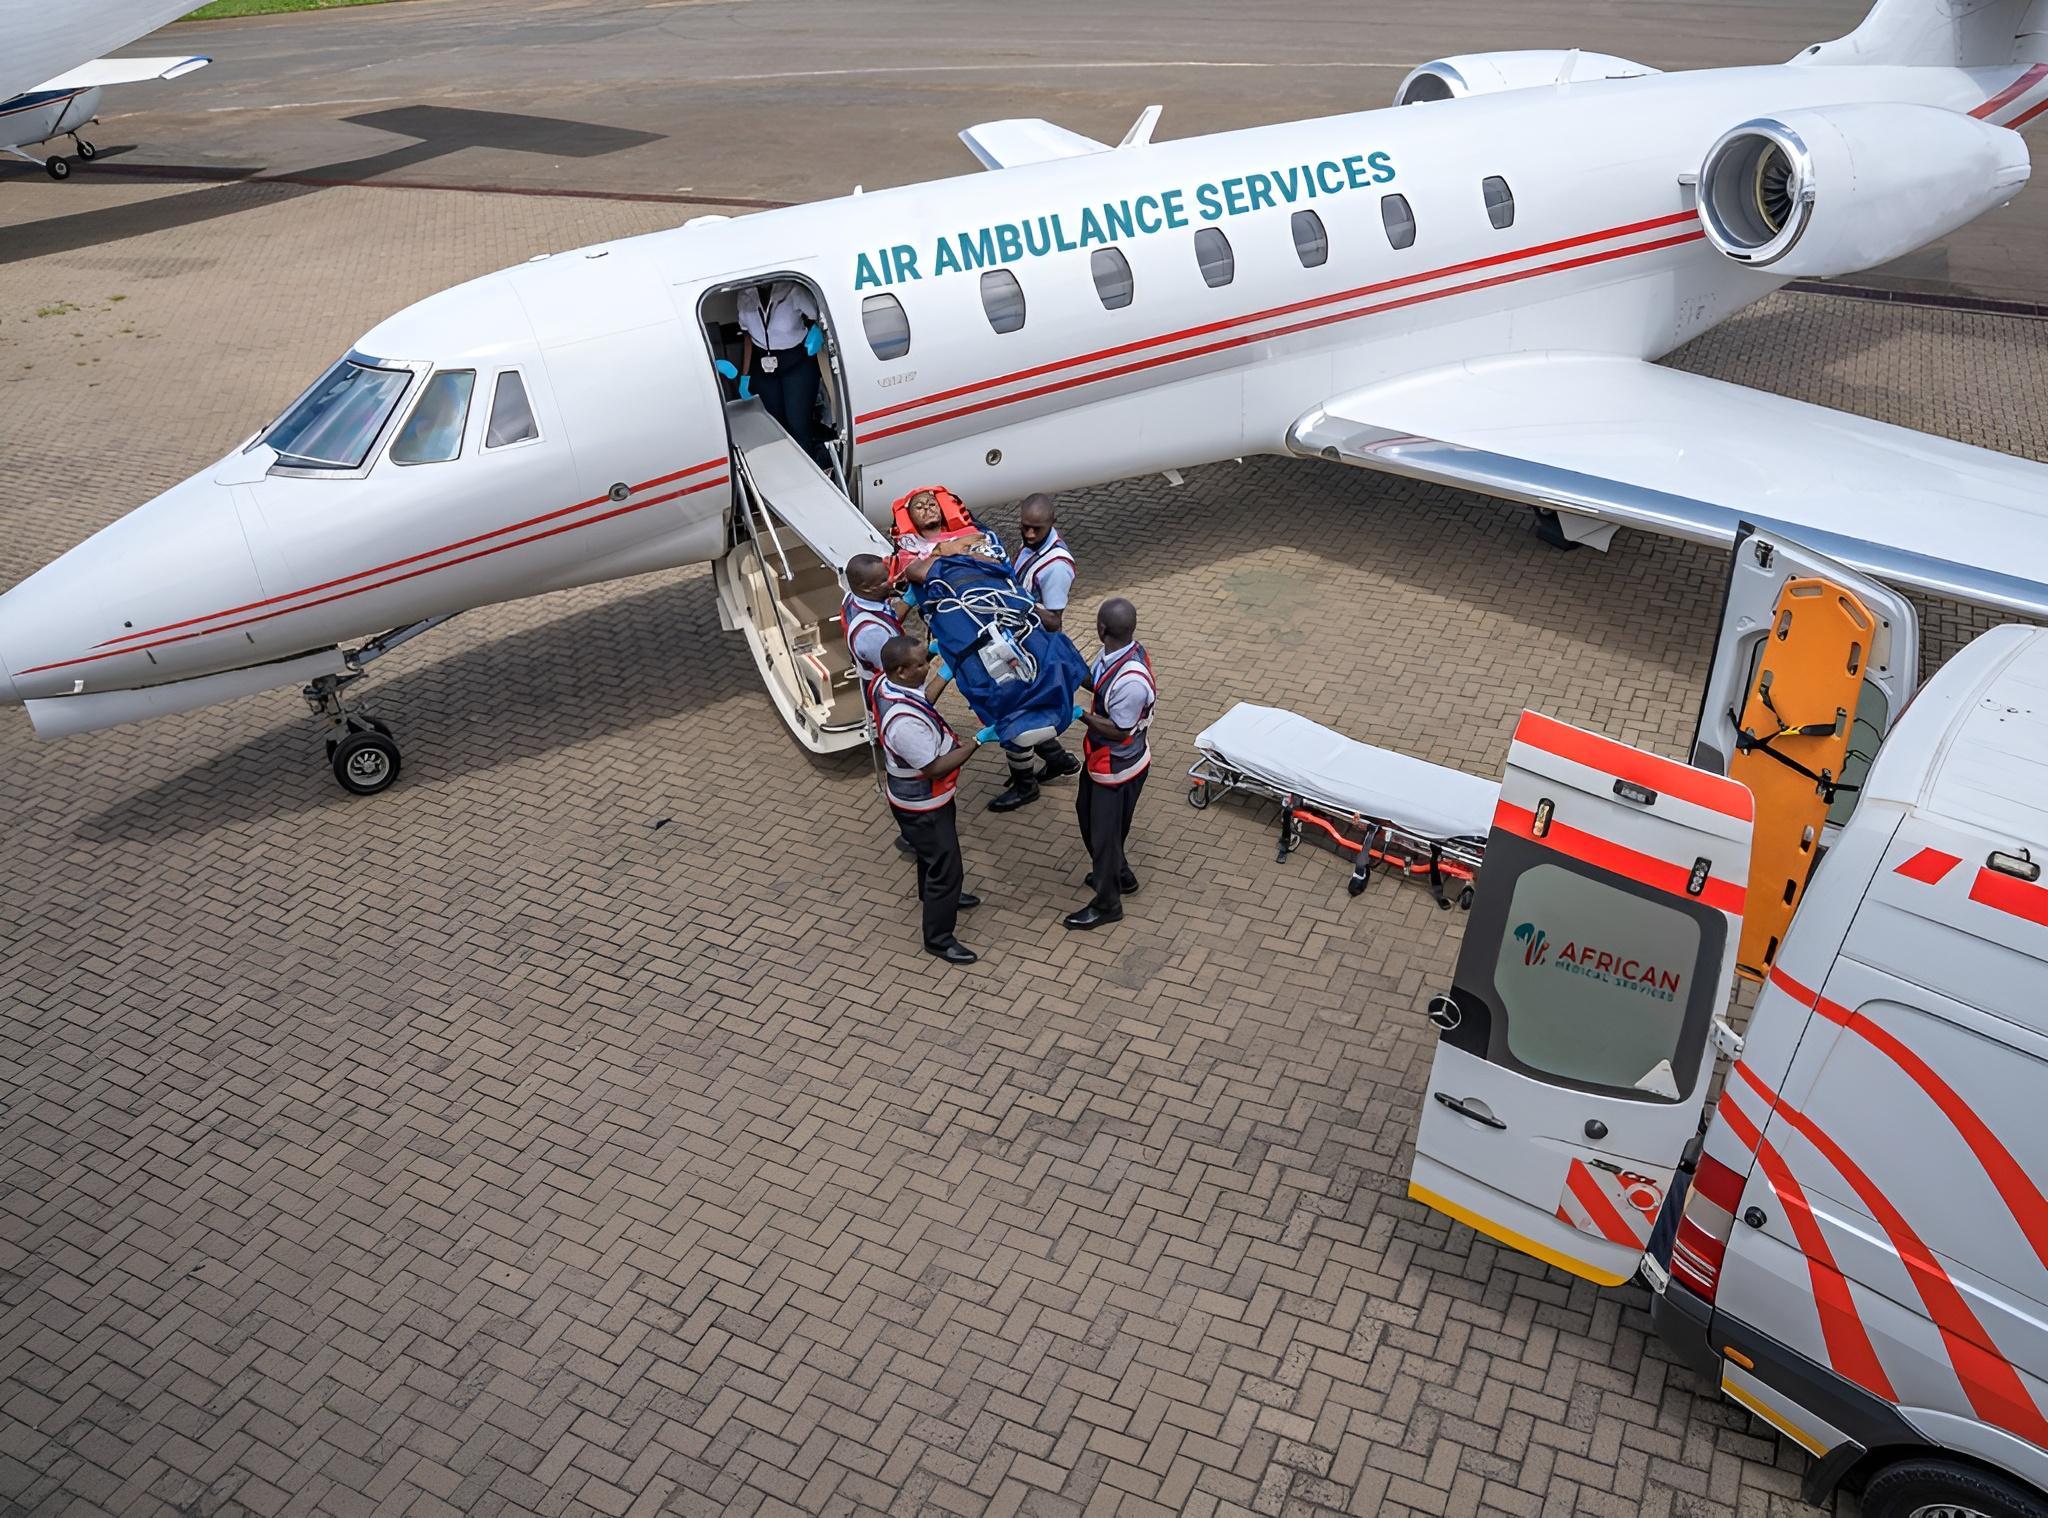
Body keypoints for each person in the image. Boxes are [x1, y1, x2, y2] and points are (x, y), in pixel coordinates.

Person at [874, 634, 988, 964]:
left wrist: (945, 673)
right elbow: (935, 768)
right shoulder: (904, 725)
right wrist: (977, 742)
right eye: (922, 663)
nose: (928, 666)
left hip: (922, 802)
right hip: (923, 803)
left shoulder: (889, 685)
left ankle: (933, 895)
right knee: (947, 866)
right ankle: (938, 937)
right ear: (901, 671)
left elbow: (922, 699)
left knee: (930, 856)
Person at [987, 492, 1081, 810]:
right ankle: (1058, 760)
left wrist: (1021, 602)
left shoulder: (1055, 568)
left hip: (1035, 649)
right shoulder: (1032, 547)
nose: (1028, 534)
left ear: (1052, 524)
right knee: (1027, 713)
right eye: (1024, 527)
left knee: (1013, 714)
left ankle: (1026, 786)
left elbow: (1054, 621)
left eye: (1036, 529)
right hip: (1020, 641)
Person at [1065, 598, 1155, 931]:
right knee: (1087, 815)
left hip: (1117, 768)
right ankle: (1120, 874)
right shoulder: (1119, 654)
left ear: (1101, 629)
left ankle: (1107, 903)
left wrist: (1078, 714)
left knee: (1102, 835)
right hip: (1102, 761)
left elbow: (1119, 731)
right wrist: (1073, 672)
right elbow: (1098, 683)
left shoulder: (1131, 682)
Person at [737, 279, 825, 465]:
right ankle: (787, 469)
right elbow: (746, 336)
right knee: (775, 426)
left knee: (798, 423)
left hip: (797, 361)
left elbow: (819, 317)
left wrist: (817, 333)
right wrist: (744, 377)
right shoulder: (744, 295)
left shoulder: (793, 290)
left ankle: (808, 470)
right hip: (762, 363)